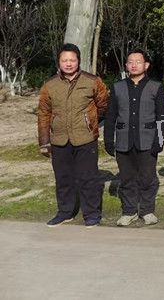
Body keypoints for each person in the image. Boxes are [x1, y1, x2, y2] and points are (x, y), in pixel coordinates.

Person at [38, 43, 109, 227]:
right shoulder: (50, 85)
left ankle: (91, 214)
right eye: (64, 60)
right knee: (63, 178)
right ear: (59, 62)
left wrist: (90, 122)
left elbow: (103, 105)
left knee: (88, 178)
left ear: (78, 61)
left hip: (85, 138)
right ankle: (65, 212)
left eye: (72, 60)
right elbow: (44, 113)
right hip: (59, 139)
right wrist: (44, 141)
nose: (68, 64)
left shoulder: (92, 81)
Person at [105, 49, 164, 227]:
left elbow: (162, 117)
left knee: (148, 178)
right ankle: (129, 211)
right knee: (126, 178)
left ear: (146, 65)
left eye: (138, 62)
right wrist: (109, 139)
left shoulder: (156, 87)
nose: (134, 65)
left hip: (147, 141)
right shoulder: (117, 87)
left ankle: (147, 210)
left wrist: (159, 140)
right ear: (126, 65)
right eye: (130, 62)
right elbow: (110, 116)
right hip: (123, 141)